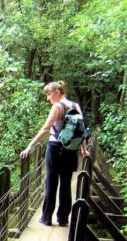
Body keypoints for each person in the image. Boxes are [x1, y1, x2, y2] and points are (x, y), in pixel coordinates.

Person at [20, 81, 89, 227]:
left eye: (48, 94)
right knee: (65, 184)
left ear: (57, 93)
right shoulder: (75, 106)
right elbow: (80, 130)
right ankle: (63, 219)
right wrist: (83, 149)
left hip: (56, 147)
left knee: (51, 183)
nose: (47, 98)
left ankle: (46, 218)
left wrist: (29, 146)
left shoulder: (57, 106)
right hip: (71, 150)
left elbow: (46, 129)